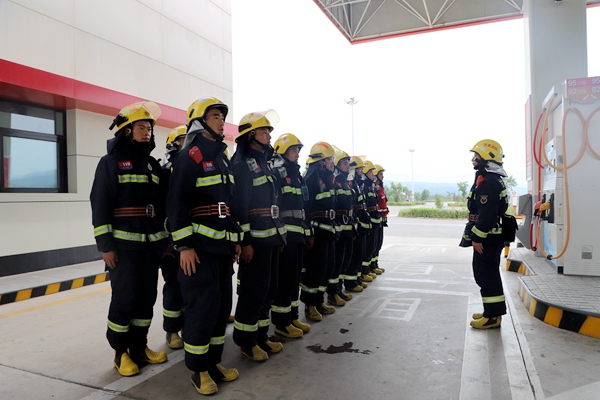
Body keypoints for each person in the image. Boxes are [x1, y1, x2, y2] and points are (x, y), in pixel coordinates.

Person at [166, 97, 242, 395]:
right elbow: (176, 204)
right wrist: (183, 245)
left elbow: (229, 204)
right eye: (214, 116)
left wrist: (234, 238)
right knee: (201, 309)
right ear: (199, 121)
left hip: (222, 249)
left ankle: (213, 363)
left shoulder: (222, 158)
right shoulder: (189, 157)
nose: (221, 120)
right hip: (197, 251)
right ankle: (198, 371)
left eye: (222, 116)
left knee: (222, 308)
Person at [90, 101, 168, 377]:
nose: (146, 132)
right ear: (126, 131)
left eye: (149, 128)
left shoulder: (151, 165)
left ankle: (140, 347)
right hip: (123, 249)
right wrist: (106, 246)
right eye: (141, 127)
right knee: (125, 300)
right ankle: (120, 352)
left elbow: (161, 206)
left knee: (146, 300)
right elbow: (100, 206)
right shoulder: (110, 163)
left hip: (150, 247)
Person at [231, 110, 287, 362]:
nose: (268, 136)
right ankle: (246, 341)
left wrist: (279, 238)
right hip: (255, 242)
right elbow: (240, 207)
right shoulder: (242, 165)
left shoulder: (265, 163)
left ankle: (261, 335)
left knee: (269, 290)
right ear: (251, 135)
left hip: (272, 239)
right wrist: (245, 242)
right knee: (253, 293)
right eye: (265, 131)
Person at [459, 139, 509, 329]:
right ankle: (491, 312)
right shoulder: (487, 179)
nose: (473, 160)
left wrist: (477, 238)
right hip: (489, 238)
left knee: (486, 276)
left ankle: (493, 317)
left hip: (487, 239)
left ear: (487, 158)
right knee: (486, 276)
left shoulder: (488, 182)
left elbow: (486, 216)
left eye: (476, 157)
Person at [269, 133, 312, 338]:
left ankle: (293, 316)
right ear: (283, 152)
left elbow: (303, 205)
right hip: (286, 235)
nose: (297, 154)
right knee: (285, 281)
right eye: (293, 150)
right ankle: (281, 323)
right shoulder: (277, 173)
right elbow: (274, 205)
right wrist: (279, 236)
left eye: (297, 150)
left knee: (295, 280)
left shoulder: (298, 175)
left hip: (299, 234)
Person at [300, 141, 338, 321]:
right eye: (330, 159)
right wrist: (309, 234)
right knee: (315, 270)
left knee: (327, 268)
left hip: (328, 231)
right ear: (321, 162)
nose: (333, 162)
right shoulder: (310, 180)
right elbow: (306, 210)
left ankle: (319, 300)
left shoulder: (328, 180)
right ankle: (310, 305)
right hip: (317, 233)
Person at [160, 125, 186, 350]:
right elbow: (162, 209)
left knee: (190, 285)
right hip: (171, 242)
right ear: (172, 145)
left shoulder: (192, 168)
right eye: (183, 140)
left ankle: (188, 323)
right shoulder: (167, 171)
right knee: (174, 285)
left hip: (191, 240)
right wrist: (167, 241)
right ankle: (171, 329)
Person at [327, 146, 355, 306]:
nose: (348, 166)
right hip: (338, 228)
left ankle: (338, 289)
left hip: (347, 228)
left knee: (343, 262)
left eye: (348, 163)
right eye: (344, 163)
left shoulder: (345, 183)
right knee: (335, 263)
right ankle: (332, 292)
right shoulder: (334, 182)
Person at [344, 156, 371, 292]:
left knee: (359, 254)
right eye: (359, 169)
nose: (361, 172)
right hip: (355, 225)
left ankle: (356, 278)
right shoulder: (351, 184)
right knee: (354, 256)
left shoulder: (357, 185)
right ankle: (350, 282)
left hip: (358, 225)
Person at [361, 160, 382, 280]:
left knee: (374, 245)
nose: (372, 175)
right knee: (368, 247)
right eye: (370, 172)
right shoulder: (364, 187)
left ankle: (371, 266)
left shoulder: (371, 187)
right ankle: (365, 270)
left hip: (375, 220)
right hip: (369, 221)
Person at [372, 164, 388, 273]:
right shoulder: (374, 187)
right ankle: (371, 267)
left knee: (378, 243)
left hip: (381, 219)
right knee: (373, 244)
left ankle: (375, 264)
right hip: (375, 219)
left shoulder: (380, 187)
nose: (382, 176)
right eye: (381, 174)